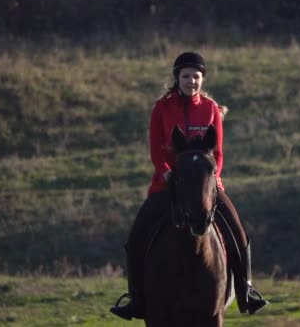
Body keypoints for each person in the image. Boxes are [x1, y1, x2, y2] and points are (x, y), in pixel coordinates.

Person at [110, 52, 269, 321]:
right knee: (138, 233)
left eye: (196, 77)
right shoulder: (161, 109)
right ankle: (136, 298)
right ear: (177, 78)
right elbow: (155, 152)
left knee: (238, 231)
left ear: (201, 80)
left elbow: (218, 153)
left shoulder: (210, 108)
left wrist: (211, 177)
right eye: (186, 76)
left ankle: (245, 290)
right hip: (169, 183)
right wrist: (167, 173)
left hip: (207, 184)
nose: (191, 81)